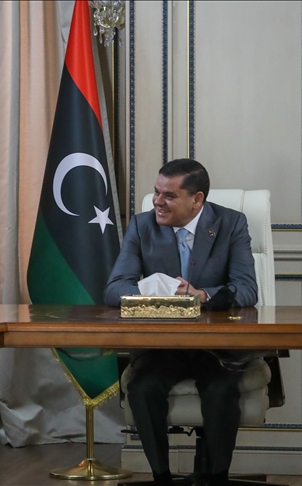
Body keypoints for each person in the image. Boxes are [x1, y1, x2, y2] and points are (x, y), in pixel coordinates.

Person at [104, 159, 258, 486]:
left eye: (169, 196)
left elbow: (247, 290)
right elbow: (114, 289)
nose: (158, 202)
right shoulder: (142, 225)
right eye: (156, 192)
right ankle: (161, 478)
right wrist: (156, 290)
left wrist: (202, 295)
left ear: (196, 200)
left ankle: (216, 478)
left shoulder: (231, 223)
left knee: (219, 390)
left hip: (215, 348)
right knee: (142, 389)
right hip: (163, 346)